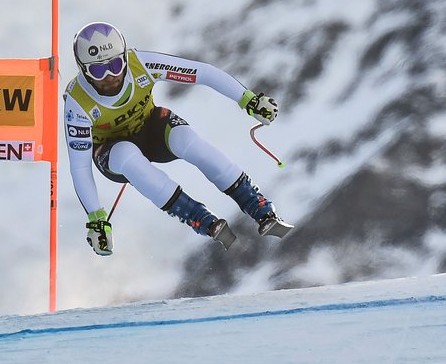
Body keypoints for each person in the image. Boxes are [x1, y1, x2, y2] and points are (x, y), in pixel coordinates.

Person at [63, 22, 293, 256]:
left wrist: (248, 100)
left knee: (185, 139)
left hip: (151, 130)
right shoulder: (77, 103)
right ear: (83, 70)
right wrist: (96, 220)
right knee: (126, 154)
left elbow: (202, 73)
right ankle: (199, 218)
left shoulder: (139, 64)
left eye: (115, 64)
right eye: (99, 71)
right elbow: (80, 166)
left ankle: (258, 206)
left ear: (124, 57)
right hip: (111, 152)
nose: (111, 76)